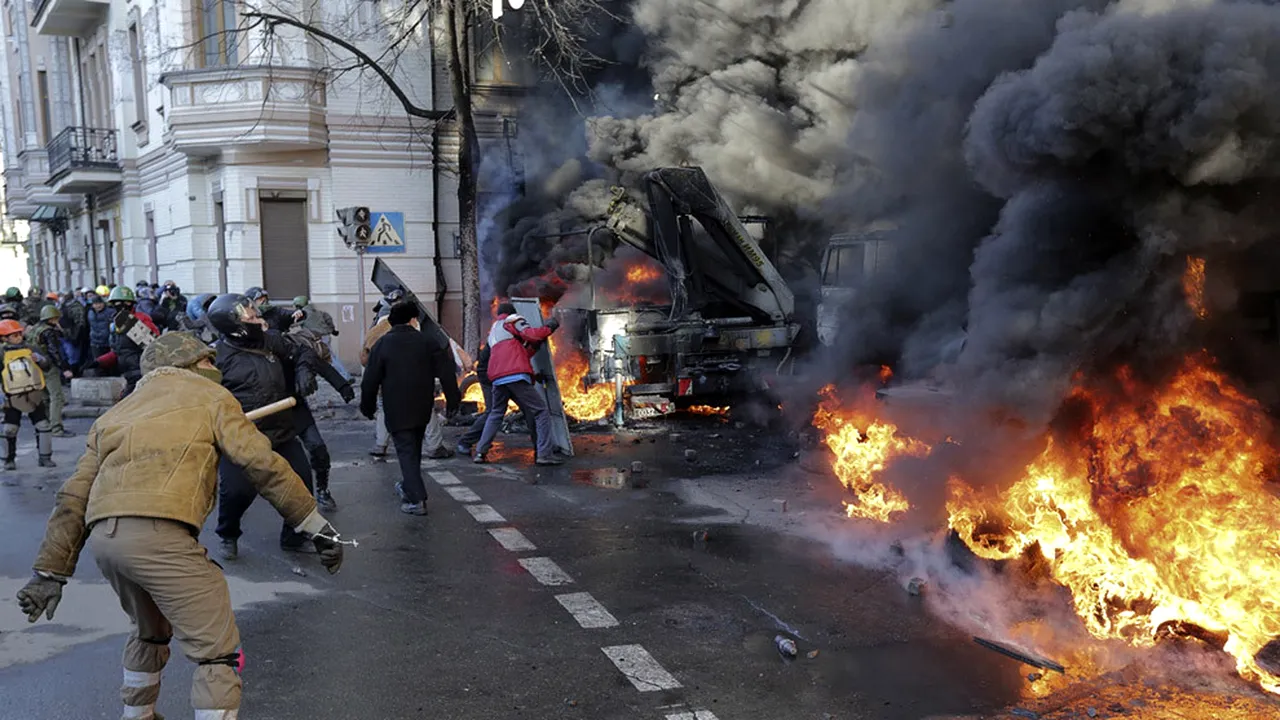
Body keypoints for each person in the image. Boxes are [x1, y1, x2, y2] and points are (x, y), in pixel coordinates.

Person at [15, 332, 344, 720]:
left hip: (107, 539)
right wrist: (315, 524)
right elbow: (264, 465)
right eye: (208, 361)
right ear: (189, 364)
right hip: (162, 536)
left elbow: (73, 497)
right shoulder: (212, 398)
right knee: (218, 651)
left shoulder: (115, 415)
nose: (215, 368)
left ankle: (137, 715)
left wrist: (49, 572)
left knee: (149, 630)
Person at [207, 294, 342, 559]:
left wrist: (303, 371)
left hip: (281, 431)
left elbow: (301, 350)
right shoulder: (217, 358)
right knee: (237, 492)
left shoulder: (270, 341)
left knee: (301, 481)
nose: (260, 320)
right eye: (253, 317)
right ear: (235, 325)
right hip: (242, 438)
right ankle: (228, 534)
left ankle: (293, 536)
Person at [361, 302, 461, 514]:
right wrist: (453, 401)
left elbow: (370, 380)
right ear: (413, 319)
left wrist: (367, 406)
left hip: (396, 407)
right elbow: (446, 373)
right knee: (412, 449)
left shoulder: (383, 344)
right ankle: (408, 487)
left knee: (406, 451)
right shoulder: (427, 341)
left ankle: (416, 499)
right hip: (422, 406)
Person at [472, 302, 562, 465]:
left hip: (497, 378)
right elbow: (531, 335)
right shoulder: (513, 320)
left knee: (496, 414)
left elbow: (516, 354)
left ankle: (480, 452)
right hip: (514, 376)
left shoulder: (494, 331)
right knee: (541, 411)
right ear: (512, 313)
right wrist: (549, 327)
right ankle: (544, 454)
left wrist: (533, 358)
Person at [0, 319, 54, 469]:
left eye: (19, 334)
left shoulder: (31, 348)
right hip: (12, 396)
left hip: (34, 394)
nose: (18, 337)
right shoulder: (1, 352)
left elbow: (47, 365)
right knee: (9, 428)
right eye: (13, 335)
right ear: (4, 338)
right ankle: (8, 460)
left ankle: (45, 457)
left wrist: (40, 359)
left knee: (43, 426)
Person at [91, 287, 160, 396]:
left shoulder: (141, 319)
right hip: (128, 374)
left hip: (142, 373)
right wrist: (99, 362)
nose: (121, 306)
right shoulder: (115, 324)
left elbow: (154, 345)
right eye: (117, 303)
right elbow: (118, 351)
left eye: (126, 302)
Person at [25, 305, 75, 437]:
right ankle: (56, 428)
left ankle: (47, 425)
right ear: (53, 318)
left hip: (35, 366)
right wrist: (64, 368)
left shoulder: (34, 329)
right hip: (48, 366)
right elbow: (54, 352)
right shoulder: (48, 331)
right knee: (57, 397)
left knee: (45, 397)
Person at [293, 295, 351, 382]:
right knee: (324, 357)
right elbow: (328, 318)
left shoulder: (303, 314)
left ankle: (345, 376)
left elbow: (293, 323)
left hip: (316, 338)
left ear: (298, 305)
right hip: (324, 336)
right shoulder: (317, 311)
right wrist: (332, 330)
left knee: (329, 357)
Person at [86, 291, 114, 358]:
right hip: (95, 342)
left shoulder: (110, 312)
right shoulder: (90, 313)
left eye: (100, 303)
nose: (98, 306)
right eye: (95, 304)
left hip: (107, 343)